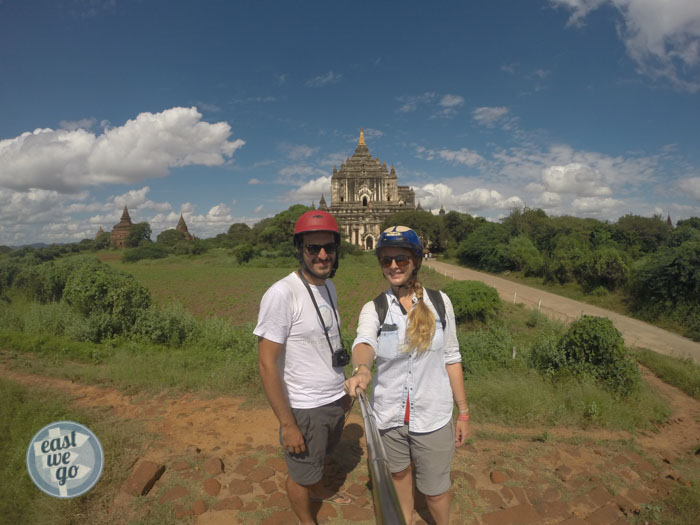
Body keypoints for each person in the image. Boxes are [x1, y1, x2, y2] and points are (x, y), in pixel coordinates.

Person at [344, 225, 469, 525]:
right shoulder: (375, 308)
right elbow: (364, 342)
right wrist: (362, 369)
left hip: (433, 416)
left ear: (415, 261)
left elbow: (452, 358)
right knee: (399, 475)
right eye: (386, 260)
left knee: (436, 491)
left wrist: (463, 412)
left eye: (401, 259)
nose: (394, 266)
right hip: (389, 417)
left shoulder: (440, 303)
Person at [255, 210, 352, 525]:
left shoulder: (328, 287)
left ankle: (319, 490)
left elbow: (326, 343)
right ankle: (306, 520)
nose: (323, 255)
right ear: (300, 250)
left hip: (333, 399)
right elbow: (266, 363)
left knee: (319, 458)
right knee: (300, 474)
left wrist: (342, 390)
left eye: (329, 247)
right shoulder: (281, 294)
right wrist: (288, 424)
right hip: (305, 407)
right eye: (313, 248)